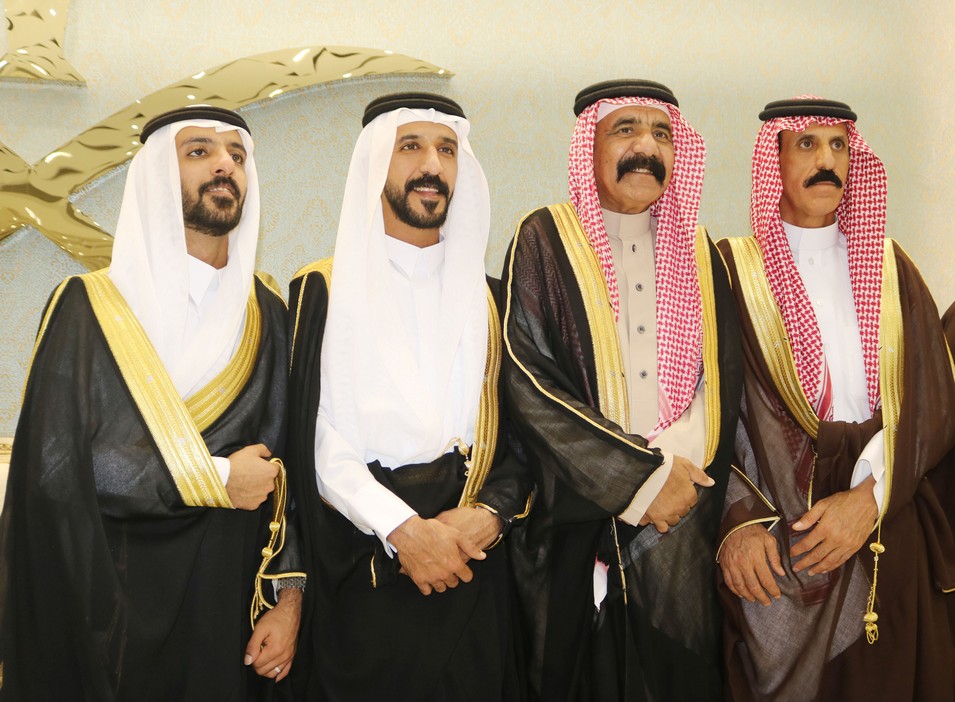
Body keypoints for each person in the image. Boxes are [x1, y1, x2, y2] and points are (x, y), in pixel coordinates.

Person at [0, 106, 303, 700]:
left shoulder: (268, 314)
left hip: (227, 610)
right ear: (157, 176)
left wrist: (290, 599)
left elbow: (289, 470)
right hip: (106, 609)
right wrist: (217, 478)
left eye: (238, 156)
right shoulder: (87, 307)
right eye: (199, 152)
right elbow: (57, 472)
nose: (225, 165)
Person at [501, 79, 742, 701]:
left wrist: (672, 477)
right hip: (574, 520)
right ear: (590, 146)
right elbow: (528, 379)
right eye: (625, 130)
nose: (647, 148)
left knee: (676, 676)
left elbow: (719, 381)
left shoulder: (701, 251)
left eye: (661, 133)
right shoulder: (545, 239)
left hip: (681, 522)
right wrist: (638, 478)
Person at [286, 92, 532, 701]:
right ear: (376, 163)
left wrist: (490, 515)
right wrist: (401, 528)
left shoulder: (494, 299)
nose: (432, 165)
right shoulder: (321, 290)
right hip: (365, 563)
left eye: (447, 149)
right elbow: (312, 437)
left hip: (474, 557)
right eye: (411, 147)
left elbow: (527, 431)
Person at [716, 97, 955, 702]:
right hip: (780, 537)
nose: (826, 160)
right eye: (806, 144)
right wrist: (735, 525)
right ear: (773, 159)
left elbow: (931, 404)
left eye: (838, 145)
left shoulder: (892, 268)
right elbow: (707, 412)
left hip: (885, 522)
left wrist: (870, 497)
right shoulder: (730, 271)